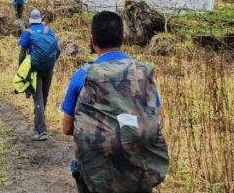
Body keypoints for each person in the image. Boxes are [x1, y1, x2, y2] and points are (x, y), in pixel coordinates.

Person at [62, 11, 168, 193]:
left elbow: (67, 127)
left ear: (93, 42)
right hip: (138, 169)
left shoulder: (83, 75)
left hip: (96, 172)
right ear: (122, 39)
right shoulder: (142, 73)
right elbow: (158, 119)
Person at [18, 9, 59, 141]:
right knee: (44, 97)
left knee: (38, 98)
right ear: (41, 19)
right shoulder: (49, 31)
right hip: (49, 68)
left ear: (30, 20)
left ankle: (41, 131)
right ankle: (38, 124)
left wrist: (21, 71)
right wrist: (52, 62)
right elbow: (58, 49)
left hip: (35, 69)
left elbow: (22, 54)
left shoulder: (27, 32)